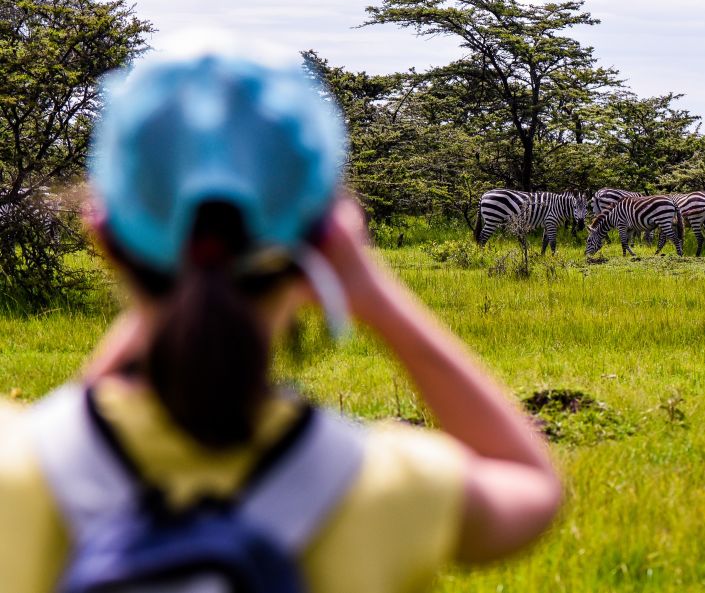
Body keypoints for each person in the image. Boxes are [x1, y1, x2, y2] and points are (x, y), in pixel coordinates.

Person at [0, 44, 561, 592]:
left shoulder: (18, 462)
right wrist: (377, 297)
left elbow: (58, 439)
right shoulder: (383, 481)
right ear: (326, 237)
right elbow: (532, 486)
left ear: (102, 233)